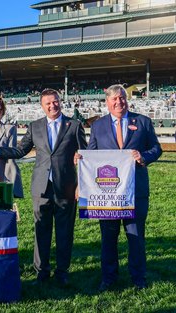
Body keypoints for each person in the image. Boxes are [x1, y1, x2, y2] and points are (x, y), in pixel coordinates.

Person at [86, 84, 162, 291]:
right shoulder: (98, 126)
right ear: (107, 103)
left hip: (136, 192)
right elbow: (92, 155)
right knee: (108, 238)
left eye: (122, 98)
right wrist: (81, 158)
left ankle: (139, 278)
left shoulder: (143, 122)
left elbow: (157, 148)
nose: (119, 102)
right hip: (108, 194)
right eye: (115, 100)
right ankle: (109, 278)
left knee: (135, 237)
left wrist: (143, 157)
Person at [10, 88, 87, 286]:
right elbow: (20, 150)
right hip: (41, 187)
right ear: (42, 106)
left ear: (60, 102)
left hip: (67, 187)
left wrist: (81, 166)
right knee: (40, 231)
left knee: (65, 231)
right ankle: (41, 272)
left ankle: (62, 271)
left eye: (55, 102)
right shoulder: (35, 126)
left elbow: (87, 154)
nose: (52, 106)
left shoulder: (74, 125)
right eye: (48, 103)